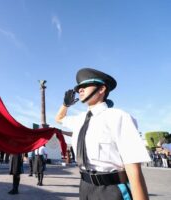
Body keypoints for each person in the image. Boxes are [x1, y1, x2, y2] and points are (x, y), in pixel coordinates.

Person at [55, 68, 151, 200]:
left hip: (111, 189)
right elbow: (59, 119)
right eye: (79, 88)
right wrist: (65, 105)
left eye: (85, 86)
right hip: (85, 187)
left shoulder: (119, 117)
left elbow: (134, 171)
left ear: (101, 89)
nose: (80, 90)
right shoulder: (79, 119)